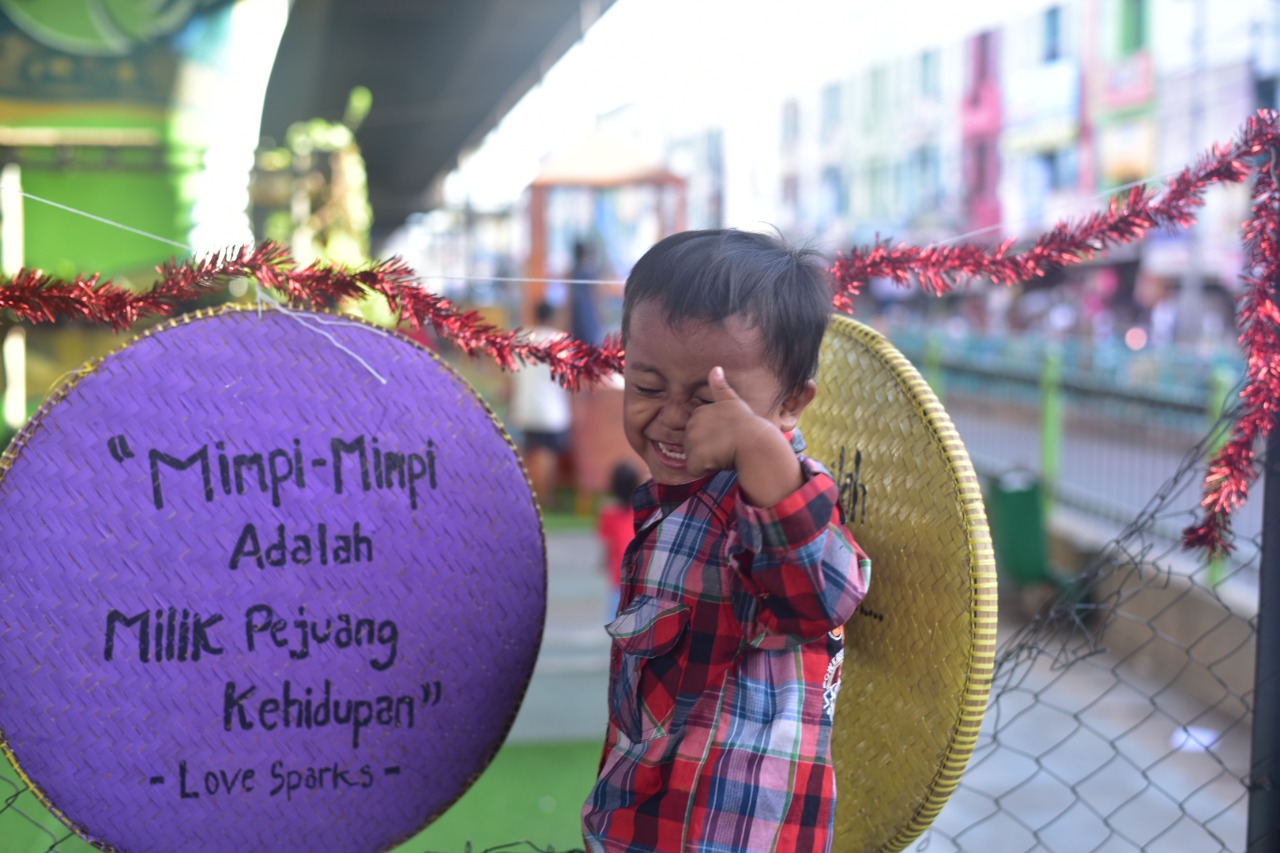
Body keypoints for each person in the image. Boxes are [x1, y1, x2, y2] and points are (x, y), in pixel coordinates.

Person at [582, 229, 871, 852]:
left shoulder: (777, 500)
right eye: (649, 386)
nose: (674, 418)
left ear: (791, 403)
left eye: (712, 398)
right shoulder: (673, 503)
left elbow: (822, 594)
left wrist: (760, 450)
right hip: (647, 827)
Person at [510, 301, 573, 510]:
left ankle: (533, 497)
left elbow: (512, 375)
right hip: (552, 410)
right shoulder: (559, 340)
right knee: (548, 455)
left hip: (526, 407)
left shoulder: (522, 339)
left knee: (530, 454)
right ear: (552, 316)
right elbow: (569, 379)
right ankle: (546, 498)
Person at [597, 460, 641, 620]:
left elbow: (608, 545)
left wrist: (602, 561)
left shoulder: (608, 512)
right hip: (641, 571)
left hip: (620, 574)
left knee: (618, 620)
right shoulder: (643, 509)